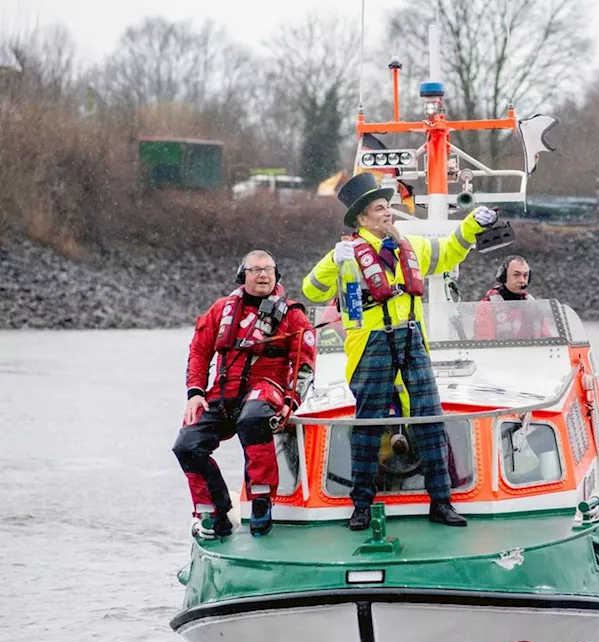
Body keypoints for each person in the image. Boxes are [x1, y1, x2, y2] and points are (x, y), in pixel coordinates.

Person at [302, 171, 497, 531]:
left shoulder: (414, 246)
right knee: (367, 427)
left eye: (388, 206)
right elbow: (311, 291)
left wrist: (470, 226)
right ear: (361, 218)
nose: (388, 213)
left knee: (430, 418)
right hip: (369, 345)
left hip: (412, 339)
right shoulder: (344, 255)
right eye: (380, 208)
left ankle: (441, 502)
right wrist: (332, 261)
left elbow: (449, 252)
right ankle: (361, 506)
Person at [174, 251, 317, 539]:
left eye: (268, 270)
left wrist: (292, 402)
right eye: (255, 269)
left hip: (267, 390)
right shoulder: (220, 310)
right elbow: (199, 352)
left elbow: (305, 365)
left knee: (252, 418)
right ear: (243, 275)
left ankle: (261, 499)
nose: (263, 275)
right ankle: (215, 513)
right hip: (223, 394)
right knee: (186, 444)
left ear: (277, 275)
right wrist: (195, 393)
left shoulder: (293, 316)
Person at [474, 255, 553, 340]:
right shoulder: (488, 306)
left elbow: (547, 338)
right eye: (516, 275)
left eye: (525, 275)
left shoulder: (533, 306)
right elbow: (484, 344)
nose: (522, 280)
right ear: (503, 277)